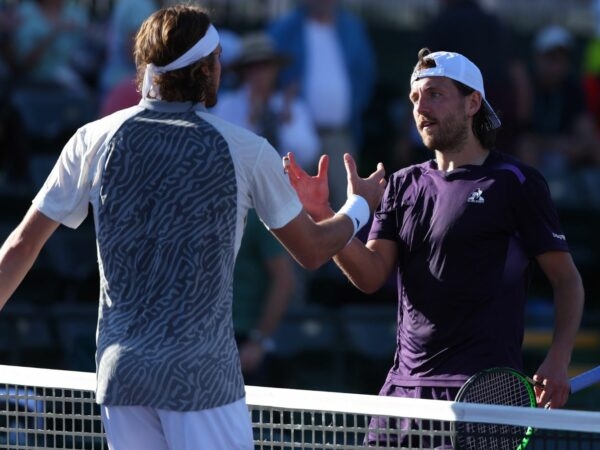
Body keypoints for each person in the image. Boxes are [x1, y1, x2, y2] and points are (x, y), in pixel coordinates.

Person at [0, 5, 386, 450]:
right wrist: (359, 205)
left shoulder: (92, 139)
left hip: (121, 377)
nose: (223, 69)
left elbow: (22, 244)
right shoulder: (247, 149)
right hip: (201, 380)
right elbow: (314, 251)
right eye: (219, 59)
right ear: (204, 69)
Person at [285, 48, 584, 447]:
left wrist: (559, 358)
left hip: (479, 398)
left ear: (472, 102)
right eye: (414, 98)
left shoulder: (516, 182)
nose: (421, 108)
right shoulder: (403, 184)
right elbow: (372, 274)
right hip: (401, 394)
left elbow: (567, 281)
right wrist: (324, 215)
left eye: (435, 94)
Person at [268, 0, 377, 209]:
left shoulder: (352, 28)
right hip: (295, 137)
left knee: (347, 209)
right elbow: (267, 73)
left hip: (340, 136)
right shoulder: (285, 28)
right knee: (294, 209)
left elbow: (366, 73)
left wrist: (355, 105)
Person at [421, 0, 532, 153]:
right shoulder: (496, 23)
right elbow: (520, 77)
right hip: (498, 124)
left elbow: (424, 80)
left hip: (463, 125)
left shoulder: (440, 25)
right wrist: (522, 129)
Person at [517, 25, 600, 208]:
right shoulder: (526, 85)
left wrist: (582, 144)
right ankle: (534, 206)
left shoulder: (572, 87)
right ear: (537, 58)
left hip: (565, 154)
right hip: (535, 155)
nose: (556, 65)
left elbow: (584, 127)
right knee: (526, 149)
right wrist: (556, 144)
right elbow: (523, 135)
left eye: (561, 59)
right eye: (550, 58)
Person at [212, 31, 319, 169]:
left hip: (284, 185)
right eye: (252, 68)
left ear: (275, 69)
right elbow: (224, 155)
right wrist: (250, 121)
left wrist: (288, 123)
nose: (259, 75)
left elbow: (308, 154)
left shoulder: (293, 106)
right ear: (243, 72)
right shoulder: (226, 105)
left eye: (265, 67)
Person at [233, 209, 295, 386]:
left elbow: (284, 280)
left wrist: (258, 341)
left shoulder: (255, 217)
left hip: (242, 341)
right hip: (196, 341)